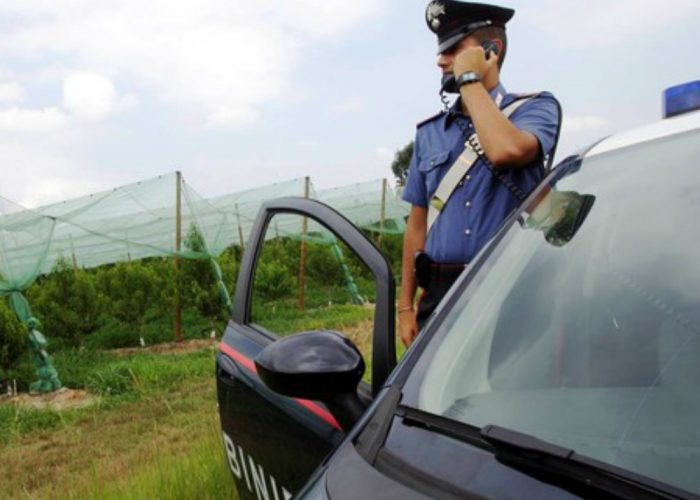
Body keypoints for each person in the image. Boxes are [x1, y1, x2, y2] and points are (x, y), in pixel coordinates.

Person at [399, 0, 562, 346]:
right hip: (440, 291)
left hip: (510, 284)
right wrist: (405, 307)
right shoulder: (430, 132)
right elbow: (416, 225)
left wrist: (470, 80)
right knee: (429, 395)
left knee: (507, 389)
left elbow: (506, 151)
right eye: (441, 51)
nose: (441, 60)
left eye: (454, 49)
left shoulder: (535, 108)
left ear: (492, 50)